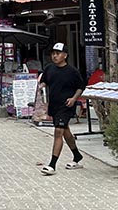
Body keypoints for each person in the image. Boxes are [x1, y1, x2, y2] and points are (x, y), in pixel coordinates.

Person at [36, 42, 84, 176]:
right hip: (54, 105)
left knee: (58, 131)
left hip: (67, 105)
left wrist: (74, 98)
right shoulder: (49, 68)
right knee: (65, 130)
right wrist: (41, 86)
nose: (55, 56)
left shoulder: (72, 71)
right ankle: (77, 156)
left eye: (57, 53)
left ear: (65, 55)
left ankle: (52, 164)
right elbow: (45, 81)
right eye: (53, 54)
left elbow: (80, 87)